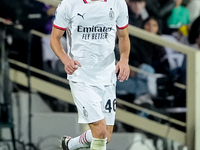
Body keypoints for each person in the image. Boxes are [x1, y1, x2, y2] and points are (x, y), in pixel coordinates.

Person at [50, 0, 130, 150]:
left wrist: (124, 59)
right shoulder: (69, 4)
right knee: (100, 132)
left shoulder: (118, 3)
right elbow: (54, 38)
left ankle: (70, 145)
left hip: (107, 76)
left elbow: (124, 36)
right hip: (81, 77)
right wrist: (66, 59)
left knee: (105, 136)